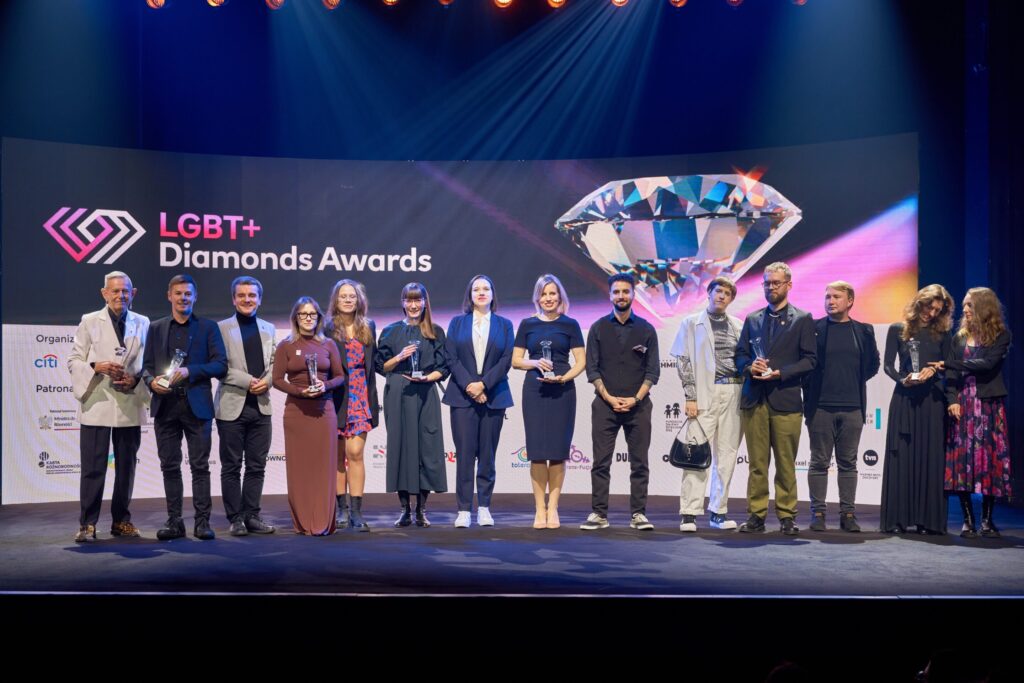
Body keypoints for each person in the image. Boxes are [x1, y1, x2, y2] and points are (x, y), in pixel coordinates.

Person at [142, 274, 228, 540]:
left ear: (195, 297)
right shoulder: (155, 328)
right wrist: (151, 381)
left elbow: (221, 365)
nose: (183, 298)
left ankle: (202, 522)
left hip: (197, 407)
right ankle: (174, 522)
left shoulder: (209, 328)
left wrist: (192, 371)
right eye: (178, 293)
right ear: (169, 296)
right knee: (169, 466)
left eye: (188, 294)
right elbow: (145, 367)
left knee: (200, 467)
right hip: (165, 406)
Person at [735, 262, 816, 535]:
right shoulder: (752, 318)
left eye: (776, 283)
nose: (771, 288)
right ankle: (756, 515)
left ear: (789, 285)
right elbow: (739, 356)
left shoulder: (803, 318)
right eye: (767, 283)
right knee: (757, 464)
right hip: (754, 400)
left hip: (786, 400)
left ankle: (787, 516)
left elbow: (810, 361)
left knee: (785, 463)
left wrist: (781, 373)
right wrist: (749, 367)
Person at [68, 271, 150, 542]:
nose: (120, 296)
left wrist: (135, 379)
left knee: (126, 467)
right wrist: (96, 366)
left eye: (125, 291)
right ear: (104, 293)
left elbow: (147, 363)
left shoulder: (143, 322)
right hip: (97, 402)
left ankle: (121, 521)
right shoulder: (89, 321)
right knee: (93, 467)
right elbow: (74, 360)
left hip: (128, 401)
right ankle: (87, 523)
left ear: (133, 293)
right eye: (114, 291)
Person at [580, 273, 660, 531]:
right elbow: (592, 369)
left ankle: (638, 514)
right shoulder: (598, 328)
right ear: (610, 295)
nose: (621, 296)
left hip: (639, 406)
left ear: (633, 294)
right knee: (601, 463)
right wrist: (609, 397)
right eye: (616, 292)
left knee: (640, 463)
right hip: (605, 405)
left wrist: (635, 399)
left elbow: (653, 371)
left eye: (626, 291)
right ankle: (599, 514)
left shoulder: (647, 329)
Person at [802, 281, 880, 532]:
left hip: (853, 407)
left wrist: (849, 382)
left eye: (836, 296)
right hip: (820, 407)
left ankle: (847, 514)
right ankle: (818, 514)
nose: (830, 301)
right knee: (819, 462)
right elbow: (805, 365)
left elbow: (872, 365)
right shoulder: (813, 329)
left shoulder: (864, 331)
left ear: (850, 301)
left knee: (848, 463)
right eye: (827, 296)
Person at [934, 287, 1011, 538]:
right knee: (961, 463)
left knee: (989, 461)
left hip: (988, 406)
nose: (965, 310)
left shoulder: (1001, 335)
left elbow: (987, 364)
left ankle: (987, 520)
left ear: (984, 308)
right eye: (965, 305)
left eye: (970, 305)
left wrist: (950, 364)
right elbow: (952, 377)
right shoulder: (958, 338)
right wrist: (952, 400)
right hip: (963, 406)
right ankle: (967, 520)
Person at [669, 276, 744, 532]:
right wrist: (690, 396)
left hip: (734, 390)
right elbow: (683, 362)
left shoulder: (739, 325)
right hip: (703, 394)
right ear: (709, 293)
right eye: (718, 291)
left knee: (727, 455)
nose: (722, 296)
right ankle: (689, 513)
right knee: (696, 454)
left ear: (731, 299)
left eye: (727, 293)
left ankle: (718, 512)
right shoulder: (691, 323)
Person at [512, 274, 585, 529]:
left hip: (562, 391)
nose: (548, 298)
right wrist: (534, 362)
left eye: (552, 293)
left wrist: (564, 378)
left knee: (556, 453)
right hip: (535, 390)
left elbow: (582, 362)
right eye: (544, 294)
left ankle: (553, 509)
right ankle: (539, 509)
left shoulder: (571, 325)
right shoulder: (526, 324)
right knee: (536, 453)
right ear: (537, 298)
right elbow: (516, 360)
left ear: (560, 296)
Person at [880, 284, 954, 535]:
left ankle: (928, 521)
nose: (932, 313)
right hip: (904, 399)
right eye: (929, 306)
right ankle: (898, 519)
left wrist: (934, 370)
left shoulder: (943, 334)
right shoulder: (898, 329)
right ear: (919, 302)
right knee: (902, 456)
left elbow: (949, 367)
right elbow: (888, 366)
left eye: (938, 310)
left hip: (932, 402)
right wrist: (903, 380)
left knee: (930, 458)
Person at [443, 275, 514, 528]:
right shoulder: (457, 323)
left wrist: (483, 385)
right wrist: (471, 386)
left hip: (494, 397)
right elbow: (451, 358)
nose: (481, 292)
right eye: (476, 289)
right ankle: (463, 509)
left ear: (493, 294)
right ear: (469, 295)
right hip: (462, 398)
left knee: (487, 455)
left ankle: (484, 507)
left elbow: (506, 359)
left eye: (486, 288)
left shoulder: (504, 324)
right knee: (464, 455)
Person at [376, 283, 449, 528]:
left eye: (418, 300)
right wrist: (399, 357)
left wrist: (428, 377)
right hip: (398, 391)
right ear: (403, 302)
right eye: (409, 300)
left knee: (427, 448)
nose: (414, 305)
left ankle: (422, 510)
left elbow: (444, 367)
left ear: (425, 303)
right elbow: (380, 366)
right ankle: (405, 510)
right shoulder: (390, 331)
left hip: (426, 391)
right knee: (401, 447)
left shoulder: (436, 331)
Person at [272, 297, 345, 536]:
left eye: (312, 314)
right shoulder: (286, 345)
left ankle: (322, 521)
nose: (308, 318)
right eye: (303, 314)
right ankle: (303, 522)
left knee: (323, 468)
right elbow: (277, 379)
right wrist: (299, 391)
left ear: (319, 317)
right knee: (300, 469)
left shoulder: (329, 344)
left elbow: (340, 377)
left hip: (324, 412)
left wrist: (324, 387)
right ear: (295, 318)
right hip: (296, 413)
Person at [215, 276, 276, 536]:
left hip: (261, 406)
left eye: (252, 295)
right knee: (231, 466)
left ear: (259, 299)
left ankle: (252, 515)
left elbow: (276, 362)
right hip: (231, 405)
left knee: (257, 466)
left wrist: (269, 380)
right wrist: (249, 381)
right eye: (242, 295)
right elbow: (219, 366)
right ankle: (235, 518)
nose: (247, 299)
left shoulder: (269, 328)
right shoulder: (220, 328)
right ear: (233, 299)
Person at [325, 279, 379, 532]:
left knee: (355, 454)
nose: (348, 300)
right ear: (336, 300)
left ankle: (357, 512)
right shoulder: (326, 327)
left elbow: (372, 367)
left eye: (352, 296)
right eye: (343, 296)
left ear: (359, 300)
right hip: (335, 398)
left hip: (359, 397)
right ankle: (341, 510)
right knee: (337, 457)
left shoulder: (368, 327)